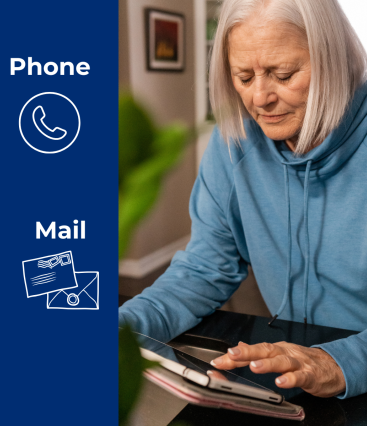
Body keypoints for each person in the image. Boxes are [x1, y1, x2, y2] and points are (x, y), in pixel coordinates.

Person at [119, 0, 367, 399]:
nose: (260, 99)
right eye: (244, 76)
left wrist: (343, 362)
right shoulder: (234, 138)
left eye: (282, 74)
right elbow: (204, 268)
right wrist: (124, 329)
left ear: (334, 59)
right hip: (293, 370)